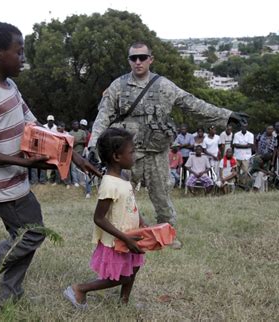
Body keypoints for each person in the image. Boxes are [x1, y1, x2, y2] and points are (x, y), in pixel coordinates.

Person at [0, 22, 99, 311]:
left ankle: (10, 294)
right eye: (19, 52)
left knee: (26, 234)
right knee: (32, 234)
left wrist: (69, 154)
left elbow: (35, 126)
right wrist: (22, 162)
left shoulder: (10, 87)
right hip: (2, 184)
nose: (24, 58)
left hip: (15, 179)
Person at [88, 41, 245, 248]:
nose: (137, 62)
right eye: (133, 58)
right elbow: (103, 115)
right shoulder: (118, 86)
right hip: (127, 154)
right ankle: (122, 234)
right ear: (129, 60)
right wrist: (93, 145)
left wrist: (226, 116)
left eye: (142, 57)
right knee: (120, 195)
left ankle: (167, 235)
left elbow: (193, 105)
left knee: (162, 195)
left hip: (156, 152)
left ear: (150, 59)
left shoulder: (164, 86)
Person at [64, 128, 146, 309]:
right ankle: (80, 289)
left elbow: (130, 201)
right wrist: (124, 238)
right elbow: (99, 218)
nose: (134, 155)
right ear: (117, 157)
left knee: (134, 268)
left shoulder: (124, 176)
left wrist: (141, 221)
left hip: (130, 235)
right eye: (131, 152)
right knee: (123, 275)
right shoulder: (109, 183)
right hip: (117, 240)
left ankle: (124, 302)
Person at [69, 120, 88, 187]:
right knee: (73, 168)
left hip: (81, 152)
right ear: (72, 125)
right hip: (73, 153)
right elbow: (69, 143)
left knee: (80, 167)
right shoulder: (70, 133)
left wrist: (77, 142)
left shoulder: (82, 132)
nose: (76, 125)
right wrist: (73, 143)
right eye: (75, 124)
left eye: (77, 124)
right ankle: (75, 181)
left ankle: (81, 181)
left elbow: (85, 140)